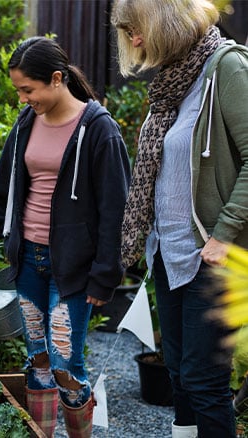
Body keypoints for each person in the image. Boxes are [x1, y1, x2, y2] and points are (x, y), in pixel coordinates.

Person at [0, 37, 130, 438]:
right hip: (28, 262)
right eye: (19, 90)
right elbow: (3, 186)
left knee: (64, 366)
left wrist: (106, 273)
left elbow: (117, 211)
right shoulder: (26, 124)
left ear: (56, 79)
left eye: (28, 89)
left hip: (72, 268)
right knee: (38, 360)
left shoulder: (99, 130)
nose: (23, 99)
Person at [111, 0, 248, 436]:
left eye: (138, 28)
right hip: (168, 254)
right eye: (128, 31)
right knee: (179, 377)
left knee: (205, 381)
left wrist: (224, 235)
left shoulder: (226, 67)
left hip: (214, 255)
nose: (134, 40)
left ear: (167, 20)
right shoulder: (171, 83)